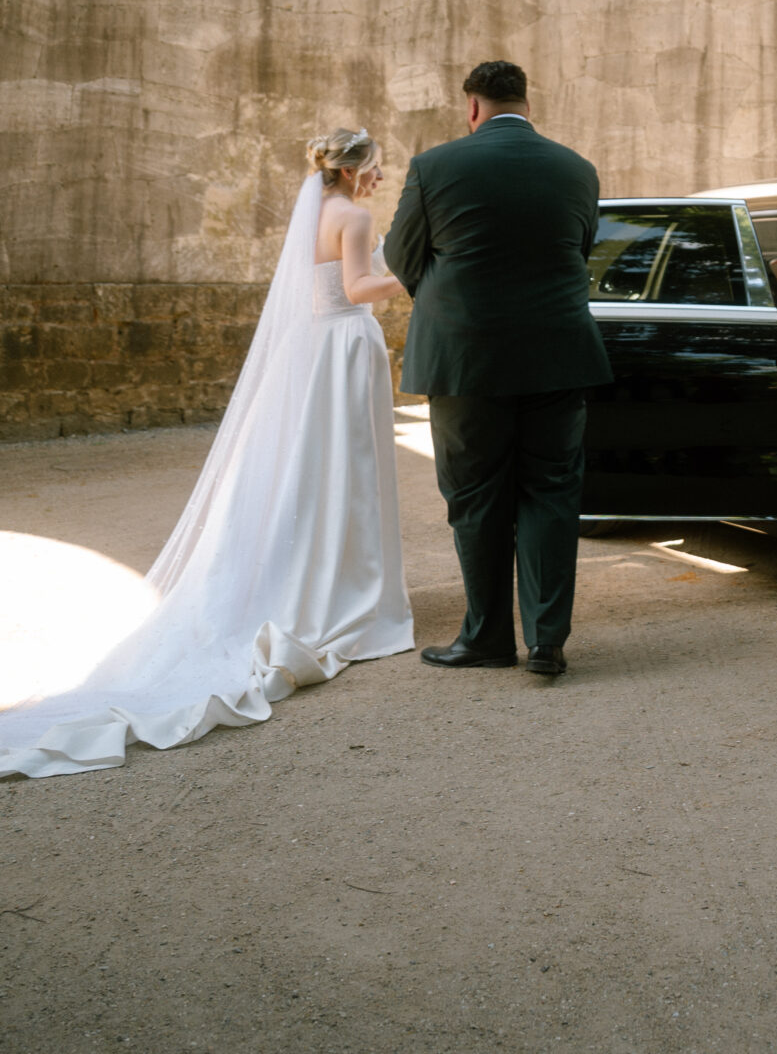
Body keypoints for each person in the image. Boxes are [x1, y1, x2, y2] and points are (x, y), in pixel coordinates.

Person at [0, 129, 413, 780]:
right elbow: (359, 288)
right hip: (341, 349)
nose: (381, 180)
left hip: (308, 354)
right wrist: (418, 272)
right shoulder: (354, 216)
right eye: (378, 168)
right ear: (354, 169)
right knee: (346, 474)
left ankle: (308, 572)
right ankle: (340, 587)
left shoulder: (312, 211)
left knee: (308, 473)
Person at [386, 61, 611, 678]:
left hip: (465, 359)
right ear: (527, 103)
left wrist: (453, 306)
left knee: (477, 496)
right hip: (559, 353)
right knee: (552, 494)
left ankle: (485, 637)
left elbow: (402, 256)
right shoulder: (578, 169)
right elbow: (579, 247)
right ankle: (547, 643)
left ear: (472, 107)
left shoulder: (435, 167)